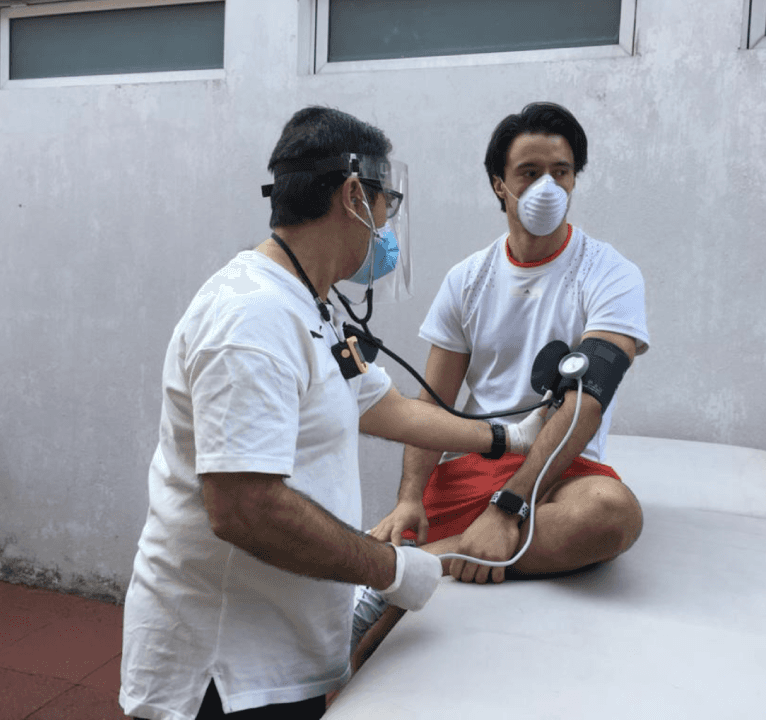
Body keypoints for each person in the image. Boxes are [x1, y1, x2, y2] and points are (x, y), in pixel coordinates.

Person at [119, 106, 546, 720]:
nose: (388, 226)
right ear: (353, 197)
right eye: (386, 205)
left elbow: (386, 406)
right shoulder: (251, 319)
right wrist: (392, 571)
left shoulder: (308, 305)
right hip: (222, 676)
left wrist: (507, 436)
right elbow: (244, 507)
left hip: (275, 655)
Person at [355, 101, 650, 665]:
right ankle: (408, 570)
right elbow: (434, 402)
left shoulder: (609, 273)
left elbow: (587, 401)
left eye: (561, 172)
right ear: (500, 185)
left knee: (613, 512)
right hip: (471, 464)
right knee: (353, 648)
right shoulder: (469, 279)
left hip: (558, 469)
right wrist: (409, 498)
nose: (547, 186)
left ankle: (435, 560)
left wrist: (507, 510)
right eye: (529, 173)